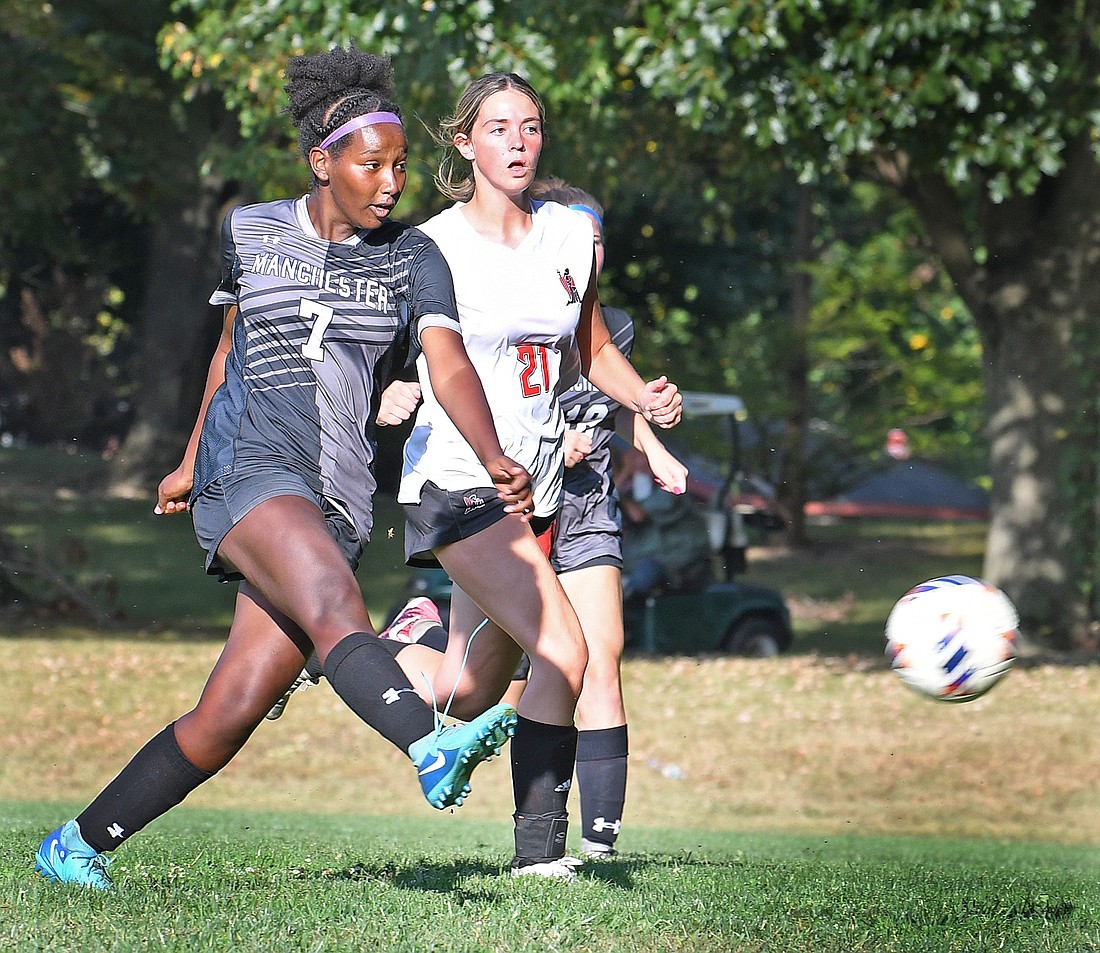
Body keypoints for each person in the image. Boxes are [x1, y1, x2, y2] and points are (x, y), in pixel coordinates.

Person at [33, 44, 527, 891]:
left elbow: (445, 363)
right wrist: (191, 459)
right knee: (339, 605)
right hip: (250, 470)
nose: (390, 181)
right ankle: (427, 742)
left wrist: (490, 452)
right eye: (372, 164)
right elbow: (227, 351)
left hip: (335, 495)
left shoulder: (414, 259)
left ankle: (76, 843)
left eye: (400, 165)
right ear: (321, 160)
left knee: (228, 714)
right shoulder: (250, 230)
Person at [394, 75, 682, 879]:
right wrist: (456, 430)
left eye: (530, 127)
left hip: (542, 490)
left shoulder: (563, 234)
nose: (517, 142)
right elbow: (418, 353)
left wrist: (643, 398)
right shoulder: (433, 244)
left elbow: (589, 346)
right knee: (565, 648)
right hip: (457, 484)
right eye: (497, 128)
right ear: (465, 144)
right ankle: (541, 858)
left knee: (470, 688)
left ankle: (376, 653)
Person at [616, 445, 713, 603]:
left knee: (641, 578)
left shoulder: (670, 488)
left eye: (637, 458)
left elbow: (638, 515)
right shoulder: (634, 492)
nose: (634, 463)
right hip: (644, 558)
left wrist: (624, 474)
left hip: (677, 560)